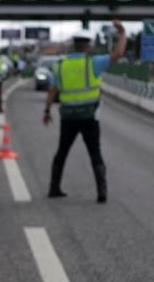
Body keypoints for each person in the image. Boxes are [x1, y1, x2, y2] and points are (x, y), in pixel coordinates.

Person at [43, 22, 127, 204]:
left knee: (62, 152)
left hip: (68, 116)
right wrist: (123, 33)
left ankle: (53, 188)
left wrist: (47, 110)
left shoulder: (60, 65)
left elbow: (52, 90)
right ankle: (101, 192)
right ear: (88, 45)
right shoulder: (93, 63)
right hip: (89, 116)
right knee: (95, 153)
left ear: (73, 44)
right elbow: (118, 54)